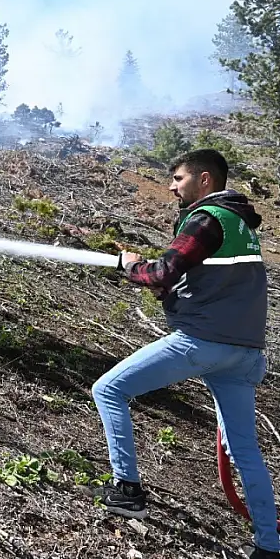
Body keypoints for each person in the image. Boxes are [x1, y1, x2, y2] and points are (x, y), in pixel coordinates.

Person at [91, 148, 279, 558]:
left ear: (204, 179)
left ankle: (127, 491)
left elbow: (162, 271)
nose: (173, 187)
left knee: (109, 390)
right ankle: (269, 545)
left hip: (202, 343)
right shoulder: (242, 226)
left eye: (178, 179)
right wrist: (165, 288)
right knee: (245, 449)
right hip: (246, 354)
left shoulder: (206, 219)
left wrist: (131, 266)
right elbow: (206, 284)